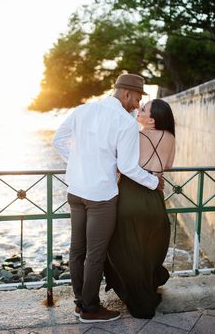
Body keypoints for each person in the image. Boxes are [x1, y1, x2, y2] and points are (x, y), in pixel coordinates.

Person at [52, 74, 164, 323]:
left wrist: (80, 165)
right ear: (125, 94)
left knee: (77, 251)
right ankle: (90, 309)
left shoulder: (82, 110)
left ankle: (80, 303)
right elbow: (128, 166)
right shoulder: (125, 123)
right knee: (95, 254)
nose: (137, 105)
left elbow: (57, 141)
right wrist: (154, 182)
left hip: (76, 191)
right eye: (136, 99)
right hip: (101, 197)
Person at [104, 98, 175, 319]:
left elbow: (120, 165)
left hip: (130, 196)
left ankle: (137, 298)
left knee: (123, 248)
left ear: (151, 120)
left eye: (143, 109)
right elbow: (168, 165)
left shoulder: (133, 134)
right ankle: (147, 288)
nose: (138, 110)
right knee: (148, 248)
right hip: (155, 199)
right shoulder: (171, 137)